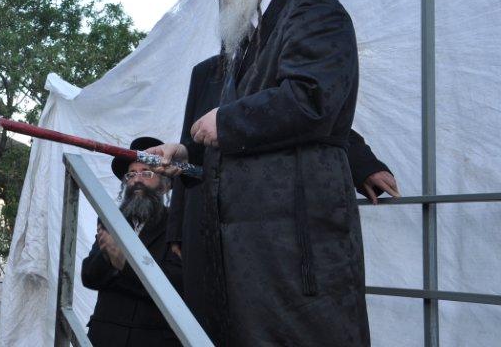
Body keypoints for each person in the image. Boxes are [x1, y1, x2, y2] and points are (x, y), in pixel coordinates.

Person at [149, 0, 374, 346]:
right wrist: (186, 152)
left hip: (294, 246)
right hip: (255, 253)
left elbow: (310, 99)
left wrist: (227, 122)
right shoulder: (251, 39)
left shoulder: (314, 11)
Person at [166, 55, 400, 340]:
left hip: (264, 219)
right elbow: (190, 138)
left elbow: (305, 116)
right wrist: (176, 229)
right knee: (210, 316)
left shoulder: (275, 59)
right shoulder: (205, 71)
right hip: (207, 209)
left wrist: (363, 164)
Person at [81, 137, 184, 346]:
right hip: (104, 338)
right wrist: (108, 256)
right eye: (131, 174)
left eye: (146, 173)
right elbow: (89, 277)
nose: (137, 180)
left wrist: (123, 264)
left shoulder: (178, 225)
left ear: (164, 185)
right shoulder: (111, 220)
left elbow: (176, 285)